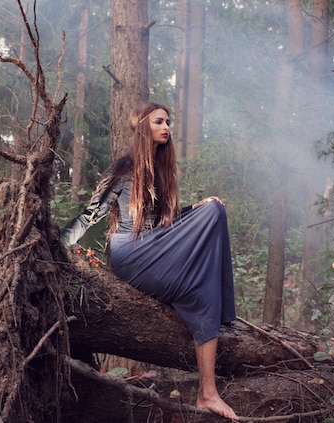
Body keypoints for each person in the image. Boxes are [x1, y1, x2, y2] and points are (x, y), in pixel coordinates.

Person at [61, 101, 239, 421]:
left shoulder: (164, 172)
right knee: (212, 213)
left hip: (157, 250)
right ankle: (211, 376)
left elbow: (165, 225)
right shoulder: (124, 169)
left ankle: (207, 393)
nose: (166, 127)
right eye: (159, 121)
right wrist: (57, 245)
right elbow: (90, 215)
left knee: (207, 259)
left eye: (168, 121)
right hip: (130, 252)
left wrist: (195, 209)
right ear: (144, 126)